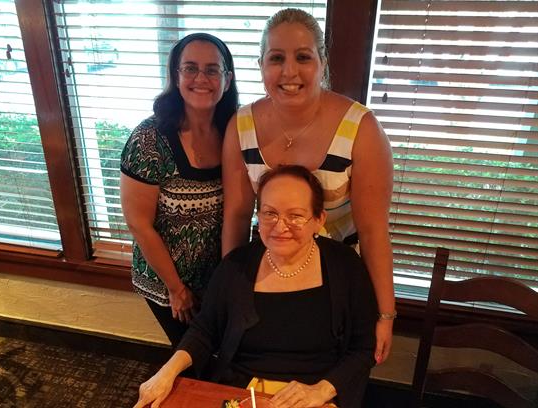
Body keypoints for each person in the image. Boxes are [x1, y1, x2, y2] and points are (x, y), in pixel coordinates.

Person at [222, 8, 395, 364]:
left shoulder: (362, 129)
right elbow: (237, 217)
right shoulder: (240, 126)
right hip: (270, 274)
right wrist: (230, 293)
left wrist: (385, 315)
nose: (289, 72)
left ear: (322, 62)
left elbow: (374, 230)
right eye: (276, 58)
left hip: (340, 284)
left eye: (303, 57)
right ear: (261, 65)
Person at [133, 165, 377, 408]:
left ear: (318, 219)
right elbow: (204, 330)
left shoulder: (345, 266)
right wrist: (166, 372)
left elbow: (362, 348)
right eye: (270, 213)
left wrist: (322, 391)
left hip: (314, 395)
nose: (280, 226)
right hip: (242, 394)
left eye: (295, 216)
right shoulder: (237, 265)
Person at [120, 33, 238, 347]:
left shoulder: (235, 131)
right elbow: (138, 224)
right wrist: (176, 288)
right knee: (192, 359)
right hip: (168, 281)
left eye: (212, 70)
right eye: (190, 68)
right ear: (176, 76)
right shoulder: (149, 139)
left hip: (217, 279)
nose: (202, 78)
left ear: (227, 79)